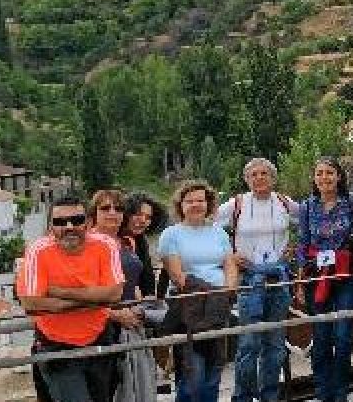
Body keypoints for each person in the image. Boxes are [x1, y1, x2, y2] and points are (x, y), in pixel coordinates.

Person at [16, 195, 125, 402]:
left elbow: (114, 294)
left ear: (88, 223)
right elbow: (31, 303)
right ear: (50, 226)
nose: (69, 227)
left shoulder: (106, 245)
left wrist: (58, 292)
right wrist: (94, 298)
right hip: (56, 345)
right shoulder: (38, 251)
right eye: (59, 222)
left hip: (99, 340)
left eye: (76, 220)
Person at [215, 158, 299, 402]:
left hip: (278, 279)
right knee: (249, 345)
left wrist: (295, 248)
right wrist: (229, 256)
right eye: (254, 175)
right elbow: (210, 228)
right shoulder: (237, 204)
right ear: (247, 179)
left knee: (274, 345)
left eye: (264, 174)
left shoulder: (283, 202)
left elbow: (308, 222)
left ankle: (269, 396)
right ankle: (242, 397)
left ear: (273, 178)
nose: (259, 178)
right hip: (249, 280)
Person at [294, 157, 353, 402]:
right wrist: (301, 276)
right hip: (318, 276)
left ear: (339, 176)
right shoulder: (307, 207)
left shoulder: (352, 203)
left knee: (344, 336)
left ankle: (340, 392)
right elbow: (303, 243)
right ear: (314, 178)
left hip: (346, 274)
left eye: (330, 173)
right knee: (322, 336)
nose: (324, 177)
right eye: (320, 173)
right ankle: (323, 391)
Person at [157, 180, 238, 402]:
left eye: (200, 200)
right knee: (194, 374)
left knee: (214, 371)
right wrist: (211, 293)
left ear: (209, 203)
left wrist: (228, 291)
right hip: (189, 308)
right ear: (180, 205)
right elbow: (177, 275)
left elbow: (229, 264)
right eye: (189, 201)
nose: (195, 205)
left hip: (219, 306)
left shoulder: (219, 233)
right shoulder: (171, 235)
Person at [90, 190, 158, 402]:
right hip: (100, 326)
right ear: (94, 213)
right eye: (105, 208)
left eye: (118, 209)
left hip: (130, 324)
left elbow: (141, 282)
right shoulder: (87, 242)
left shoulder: (130, 242)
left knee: (130, 388)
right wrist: (114, 314)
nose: (113, 213)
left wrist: (143, 308)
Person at [122, 193, 167, 299]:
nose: (143, 220)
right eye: (138, 214)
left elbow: (148, 277)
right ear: (126, 214)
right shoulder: (113, 239)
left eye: (148, 217)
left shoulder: (141, 241)